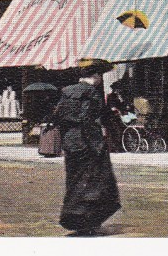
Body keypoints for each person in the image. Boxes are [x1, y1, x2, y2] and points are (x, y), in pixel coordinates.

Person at [52, 59, 121, 236]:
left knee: (74, 182)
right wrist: (98, 145)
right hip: (86, 142)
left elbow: (59, 116)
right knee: (93, 183)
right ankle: (88, 223)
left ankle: (74, 219)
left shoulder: (67, 92)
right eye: (100, 76)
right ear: (96, 76)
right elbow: (87, 120)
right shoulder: (91, 93)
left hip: (71, 142)